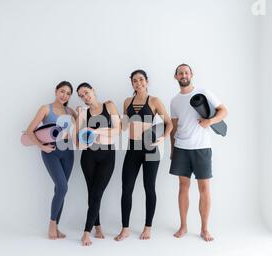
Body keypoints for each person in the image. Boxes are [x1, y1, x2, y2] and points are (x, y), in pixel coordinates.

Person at [169, 64, 228, 242]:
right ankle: (183, 226)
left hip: (201, 148)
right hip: (181, 148)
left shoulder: (203, 92)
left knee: (204, 189)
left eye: (186, 72)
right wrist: (172, 149)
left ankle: (204, 229)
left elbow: (224, 111)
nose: (184, 75)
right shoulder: (174, 101)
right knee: (183, 188)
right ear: (176, 77)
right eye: (180, 73)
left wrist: (210, 121)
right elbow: (173, 127)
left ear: (191, 75)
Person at [114, 70, 173, 241]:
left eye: (141, 79)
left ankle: (148, 227)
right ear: (131, 84)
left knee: (149, 188)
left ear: (147, 81)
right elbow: (124, 125)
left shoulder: (154, 101)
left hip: (150, 149)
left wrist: (163, 138)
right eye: (134, 81)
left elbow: (168, 123)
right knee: (126, 188)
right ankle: (125, 229)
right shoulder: (127, 101)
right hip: (132, 148)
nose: (138, 83)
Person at [25, 81, 77, 240]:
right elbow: (29, 131)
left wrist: (82, 113)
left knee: (61, 189)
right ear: (56, 91)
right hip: (51, 153)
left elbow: (82, 123)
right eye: (62, 91)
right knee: (62, 187)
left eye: (68, 93)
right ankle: (52, 225)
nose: (64, 95)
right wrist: (42, 146)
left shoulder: (70, 111)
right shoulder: (45, 109)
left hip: (68, 153)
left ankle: (57, 226)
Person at [75, 83, 121, 246]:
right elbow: (78, 142)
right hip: (88, 157)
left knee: (97, 192)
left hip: (108, 155)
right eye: (81, 96)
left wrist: (95, 131)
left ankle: (89, 230)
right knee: (92, 192)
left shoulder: (109, 105)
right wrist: (83, 131)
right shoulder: (83, 113)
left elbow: (118, 129)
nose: (85, 97)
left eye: (86, 92)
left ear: (93, 90)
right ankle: (94, 228)